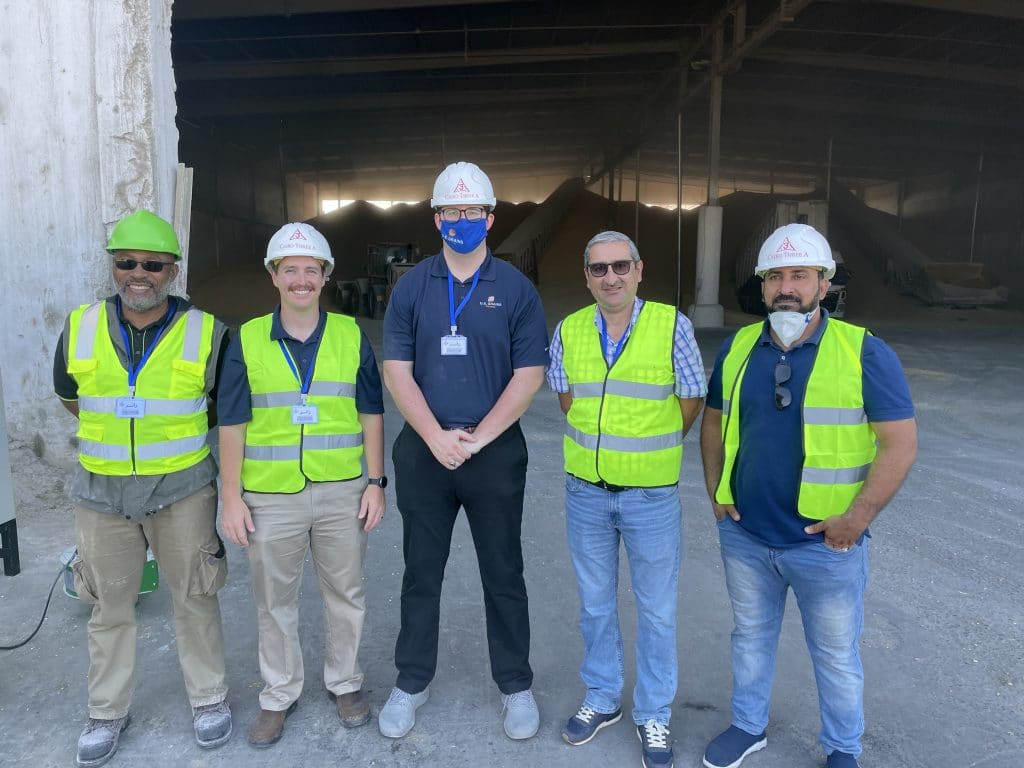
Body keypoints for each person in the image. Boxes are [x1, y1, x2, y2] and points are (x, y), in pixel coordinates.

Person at [699, 224, 917, 768]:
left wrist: (858, 517)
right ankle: (748, 726)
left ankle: (843, 748)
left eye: (800, 275)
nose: (786, 287)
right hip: (746, 535)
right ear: (763, 286)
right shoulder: (739, 347)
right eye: (775, 276)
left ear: (824, 284)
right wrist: (716, 492)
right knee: (749, 639)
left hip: (827, 544)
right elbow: (713, 422)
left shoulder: (864, 351)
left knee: (836, 656)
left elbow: (900, 444)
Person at [54, 210, 232, 768]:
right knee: (109, 606)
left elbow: (223, 414)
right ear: (113, 267)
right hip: (102, 496)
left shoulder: (207, 331)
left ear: (172, 271)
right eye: (126, 262)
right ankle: (106, 712)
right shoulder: (80, 325)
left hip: (182, 490)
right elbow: (69, 396)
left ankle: (208, 700)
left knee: (194, 597)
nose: (138, 273)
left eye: (151, 264)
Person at [379, 161, 548, 740]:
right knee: (421, 572)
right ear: (436, 219)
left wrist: (478, 438)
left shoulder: (516, 290)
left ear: (490, 218)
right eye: (451, 211)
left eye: (471, 211)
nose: (461, 220)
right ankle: (411, 681)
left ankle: (515, 685)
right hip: (425, 454)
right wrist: (433, 436)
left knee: (503, 572)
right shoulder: (412, 286)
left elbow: (528, 375)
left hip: (494, 453)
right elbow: (397, 370)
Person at [217, 222, 386, 748]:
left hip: (341, 490)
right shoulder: (245, 339)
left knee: (346, 593)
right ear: (274, 276)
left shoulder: (351, 335)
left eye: (311, 270)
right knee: (274, 601)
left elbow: (371, 412)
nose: (301, 280)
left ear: (324, 277)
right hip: (269, 495)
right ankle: (278, 693)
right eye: (290, 269)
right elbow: (232, 420)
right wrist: (229, 496)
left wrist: (376, 482)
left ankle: (345, 683)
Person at [546, 231, 706, 768]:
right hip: (585, 493)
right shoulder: (569, 329)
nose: (610, 277)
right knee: (595, 605)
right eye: (598, 269)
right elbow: (565, 396)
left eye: (620, 267)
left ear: (639, 270)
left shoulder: (671, 325)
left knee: (657, 611)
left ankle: (654, 712)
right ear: (586, 276)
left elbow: (691, 396)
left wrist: (649, 447)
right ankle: (602, 697)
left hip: (650, 496)